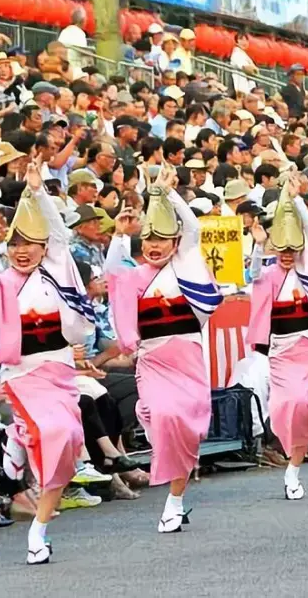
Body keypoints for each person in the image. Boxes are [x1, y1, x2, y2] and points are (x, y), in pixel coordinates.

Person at [0, 159, 96, 564]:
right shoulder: (4, 281)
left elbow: (61, 235)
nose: (21, 251)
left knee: (64, 439)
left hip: (60, 372)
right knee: (50, 430)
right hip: (22, 375)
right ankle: (19, 436)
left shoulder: (57, 274)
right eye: (14, 245)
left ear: (44, 247)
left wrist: (38, 191)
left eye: (29, 244)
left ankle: (39, 530)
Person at [106, 166, 223, 534]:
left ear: (175, 243)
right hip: (154, 359)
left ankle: (175, 499)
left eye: (162, 239)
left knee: (185, 427)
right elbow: (112, 273)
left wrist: (167, 193)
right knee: (163, 415)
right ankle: (172, 496)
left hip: (187, 357)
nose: (154, 246)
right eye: (148, 240)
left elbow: (194, 228)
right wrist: (120, 236)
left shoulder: (186, 266)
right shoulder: (134, 275)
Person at [245, 175, 308, 500]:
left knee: (305, 403)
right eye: (283, 248)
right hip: (280, 349)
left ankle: (294, 464)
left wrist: (295, 199)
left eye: (294, 247)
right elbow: (252, 274)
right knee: (283, 406)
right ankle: (291, 457)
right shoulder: (268, 273)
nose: (288, 253)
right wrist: (258, 244)